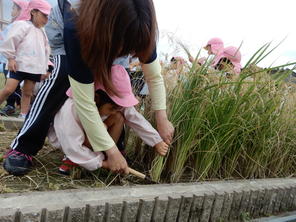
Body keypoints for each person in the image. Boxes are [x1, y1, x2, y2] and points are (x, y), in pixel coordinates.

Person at [4, 0, 174, 176]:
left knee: (118, 81)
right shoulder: (75, 25)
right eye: (125, 50)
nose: (127, 55)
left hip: (112, 31)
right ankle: (24, 145)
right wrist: (109, 156)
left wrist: (161, 117)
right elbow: (85, 101)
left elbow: (153, 77)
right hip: (76, 28)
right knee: (62, 75)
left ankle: (115, 147)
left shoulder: (142, 28)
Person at [48, 65, 168, 174]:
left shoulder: (113, 105)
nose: (115, 110)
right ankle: (76, 160)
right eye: (112, 108)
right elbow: (71, 144)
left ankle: (105, 154)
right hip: (72, 142)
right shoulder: (71, 109)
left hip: (93, 138)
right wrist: (102, 163)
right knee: (83, 144)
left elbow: (135, 118)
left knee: (118, 117)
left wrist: (156, 141)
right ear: (96, 98)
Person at [0, 0, 52, 119]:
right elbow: (10, 41)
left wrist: (44, 67)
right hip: (18, 65)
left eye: (47, 16)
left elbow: (45, 51)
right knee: (9, 89)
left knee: (28, 92)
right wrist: (11, 58)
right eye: (44, 15)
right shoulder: (22, 25)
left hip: (34, 67)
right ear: (33, 12)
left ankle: (23, 115)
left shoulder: (42, 31)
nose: (46, 19)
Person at [0, 0, 29, 116]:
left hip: (15, 61)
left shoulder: (20, 26)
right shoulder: (15, 24)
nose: (11, 10)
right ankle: (13, 105)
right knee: (13, 86)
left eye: (13, 8)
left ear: (20, 11)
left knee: (13, 86)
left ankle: (11, 106)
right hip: (9, 60)